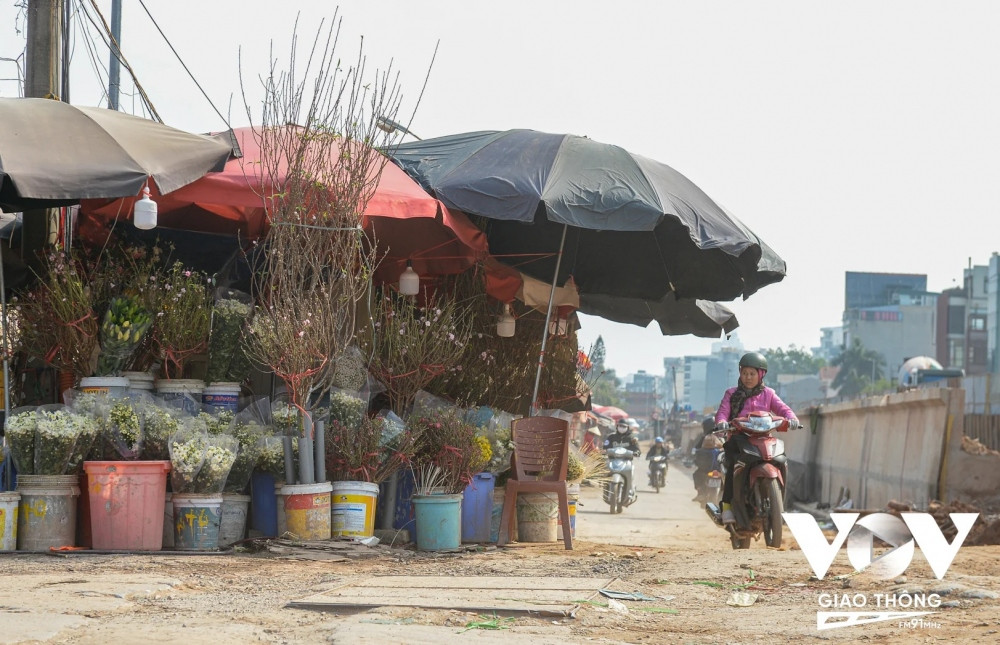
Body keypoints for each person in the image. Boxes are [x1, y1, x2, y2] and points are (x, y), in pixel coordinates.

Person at [714, 352, 800, 525]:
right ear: (740, 373)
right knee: (732, 467)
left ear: (761, 375)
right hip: (738, 438)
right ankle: (727, 507)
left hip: (763, 438)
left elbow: (783, 409)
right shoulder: (731, 394)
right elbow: (723, 412)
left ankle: (778, 505)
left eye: (752, 374)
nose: (748, 377)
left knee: (782, 461)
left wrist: (792, 419)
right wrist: (722, 422)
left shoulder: (769, 394)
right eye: (744, 373)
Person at [692, 416, 721, 501]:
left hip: (706, 469)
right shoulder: (721, 435)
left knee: (696, 475)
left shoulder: (705, 437)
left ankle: (700, 493)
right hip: (719, 468)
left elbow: (696, 448)